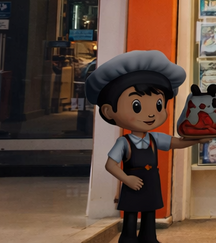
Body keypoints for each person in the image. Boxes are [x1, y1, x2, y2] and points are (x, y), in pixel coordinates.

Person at [85, 50, 206, 243]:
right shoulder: (124, 142)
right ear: (108, 111)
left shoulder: (154, 138)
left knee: (150, 213)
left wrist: (197, 140)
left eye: (158, 105)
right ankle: (128, 239)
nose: (151, 114)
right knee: (131, 215)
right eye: (137, 106)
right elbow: (110, 165)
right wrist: (127, 179)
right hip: (132, 183)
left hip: (151, 183)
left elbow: (176, 142)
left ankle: (149, 238)